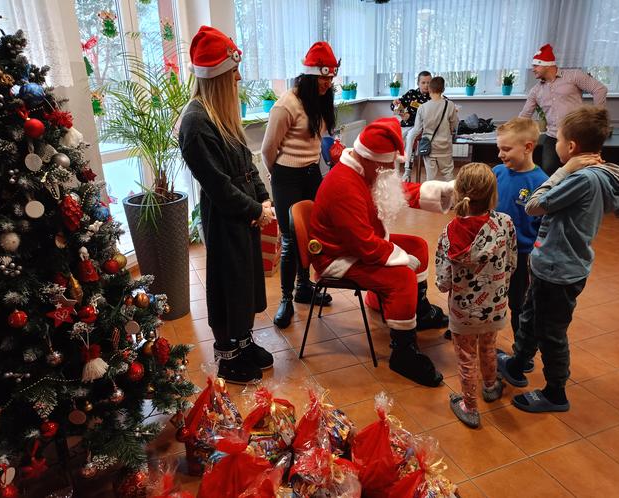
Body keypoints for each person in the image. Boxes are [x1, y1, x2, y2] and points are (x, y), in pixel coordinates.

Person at [498, 106, 619, 413]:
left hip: (559, 270)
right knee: (531, 318)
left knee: (551, 333)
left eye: (556, 139)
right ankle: (518, 364)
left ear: (571, 147)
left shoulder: (581, 178)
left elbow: (534, 205)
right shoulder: (598, 174)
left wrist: (564, 170)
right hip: (551, 264)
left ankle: (556, 392)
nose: (553, 144)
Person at [309, 118, 453, 387]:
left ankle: (416, 311)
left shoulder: (364, 169)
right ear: (374, 160)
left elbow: (397, 190)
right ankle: (403, 351)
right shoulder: (344, 186)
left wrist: (446, 192)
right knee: (402, 277)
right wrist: (399, 258)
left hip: (356, 245)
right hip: (336, 257)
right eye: (390, 165)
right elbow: (363, 245)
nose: (393, 170)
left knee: (417, 246)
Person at [179, 26, 275, 384]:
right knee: (227, 281)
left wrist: (263, 199)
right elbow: (218, 187)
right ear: (217, 75)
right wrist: (254, 210)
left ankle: (244, 339)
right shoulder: (196, 123)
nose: (238, 77)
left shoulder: (220, 113)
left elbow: (246, 160)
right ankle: (228, 354)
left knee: (245, 281)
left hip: (244, 212)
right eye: (233, 71)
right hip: (226, 217)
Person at [261, 41, 339, 329]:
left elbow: (318, 141)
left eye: (331, 77)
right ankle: (286, 299)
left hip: (310, 174)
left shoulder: (320, 100)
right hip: (287, 177)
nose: (327, 83)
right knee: (291, 241)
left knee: (312, 233)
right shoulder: (286, 105)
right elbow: (267, 150)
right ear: (307, 76)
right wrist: (277, 177)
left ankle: (304, 288)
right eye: (323, 77)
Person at [435, 163, 517, 428]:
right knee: (489, 346)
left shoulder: (449, 233)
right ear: (493, 193)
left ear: (459, 193)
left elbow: (443, 282)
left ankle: (470, 408)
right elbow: (512, 264)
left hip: (462, 312)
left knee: (466, 357)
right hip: (495, 306)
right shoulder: (505, 223)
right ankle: (491, 386)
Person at [493, 117, 548, 372]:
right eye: (499, 148)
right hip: (493, 254)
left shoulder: (542, 183)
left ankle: (521, 354)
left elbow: (544, 227)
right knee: (490, 299)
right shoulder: (497, 172)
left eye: (506, 149)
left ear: (528, 147)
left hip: (523, 257)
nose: (500, 154)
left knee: (519, 305)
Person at [519, 43, 608, 176]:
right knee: (548, 170)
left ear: (547, 64)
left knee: (583, 172)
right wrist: (509, 132)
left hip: (579, 135)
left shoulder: (574, 76)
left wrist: (596, 119)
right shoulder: (536, 91)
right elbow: (524, 115)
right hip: (554, 137)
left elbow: (600, 89)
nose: (533, 69)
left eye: (536, 65)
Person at [412, 76, 458, 182]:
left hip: (429, 147)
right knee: (448, 174)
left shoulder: (422, 107)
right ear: (443, 90)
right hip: (445, 146)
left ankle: (431, 197)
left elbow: (417, 129)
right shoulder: (449, 105)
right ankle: (450, 197)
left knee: (430, 177)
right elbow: (455, 124)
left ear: (429, 89)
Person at [390, 71, 432, 181]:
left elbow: (446, 105)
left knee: (409, 138)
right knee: (396, 140)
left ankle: (407, 170)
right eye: (423, 82)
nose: (426, 85)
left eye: (429, 82)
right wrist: (399, 109)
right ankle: (395, 172)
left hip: (421, 127)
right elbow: (396, 107)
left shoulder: (434, 96)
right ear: (418, 83)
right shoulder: (411, 94)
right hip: (406, 125)